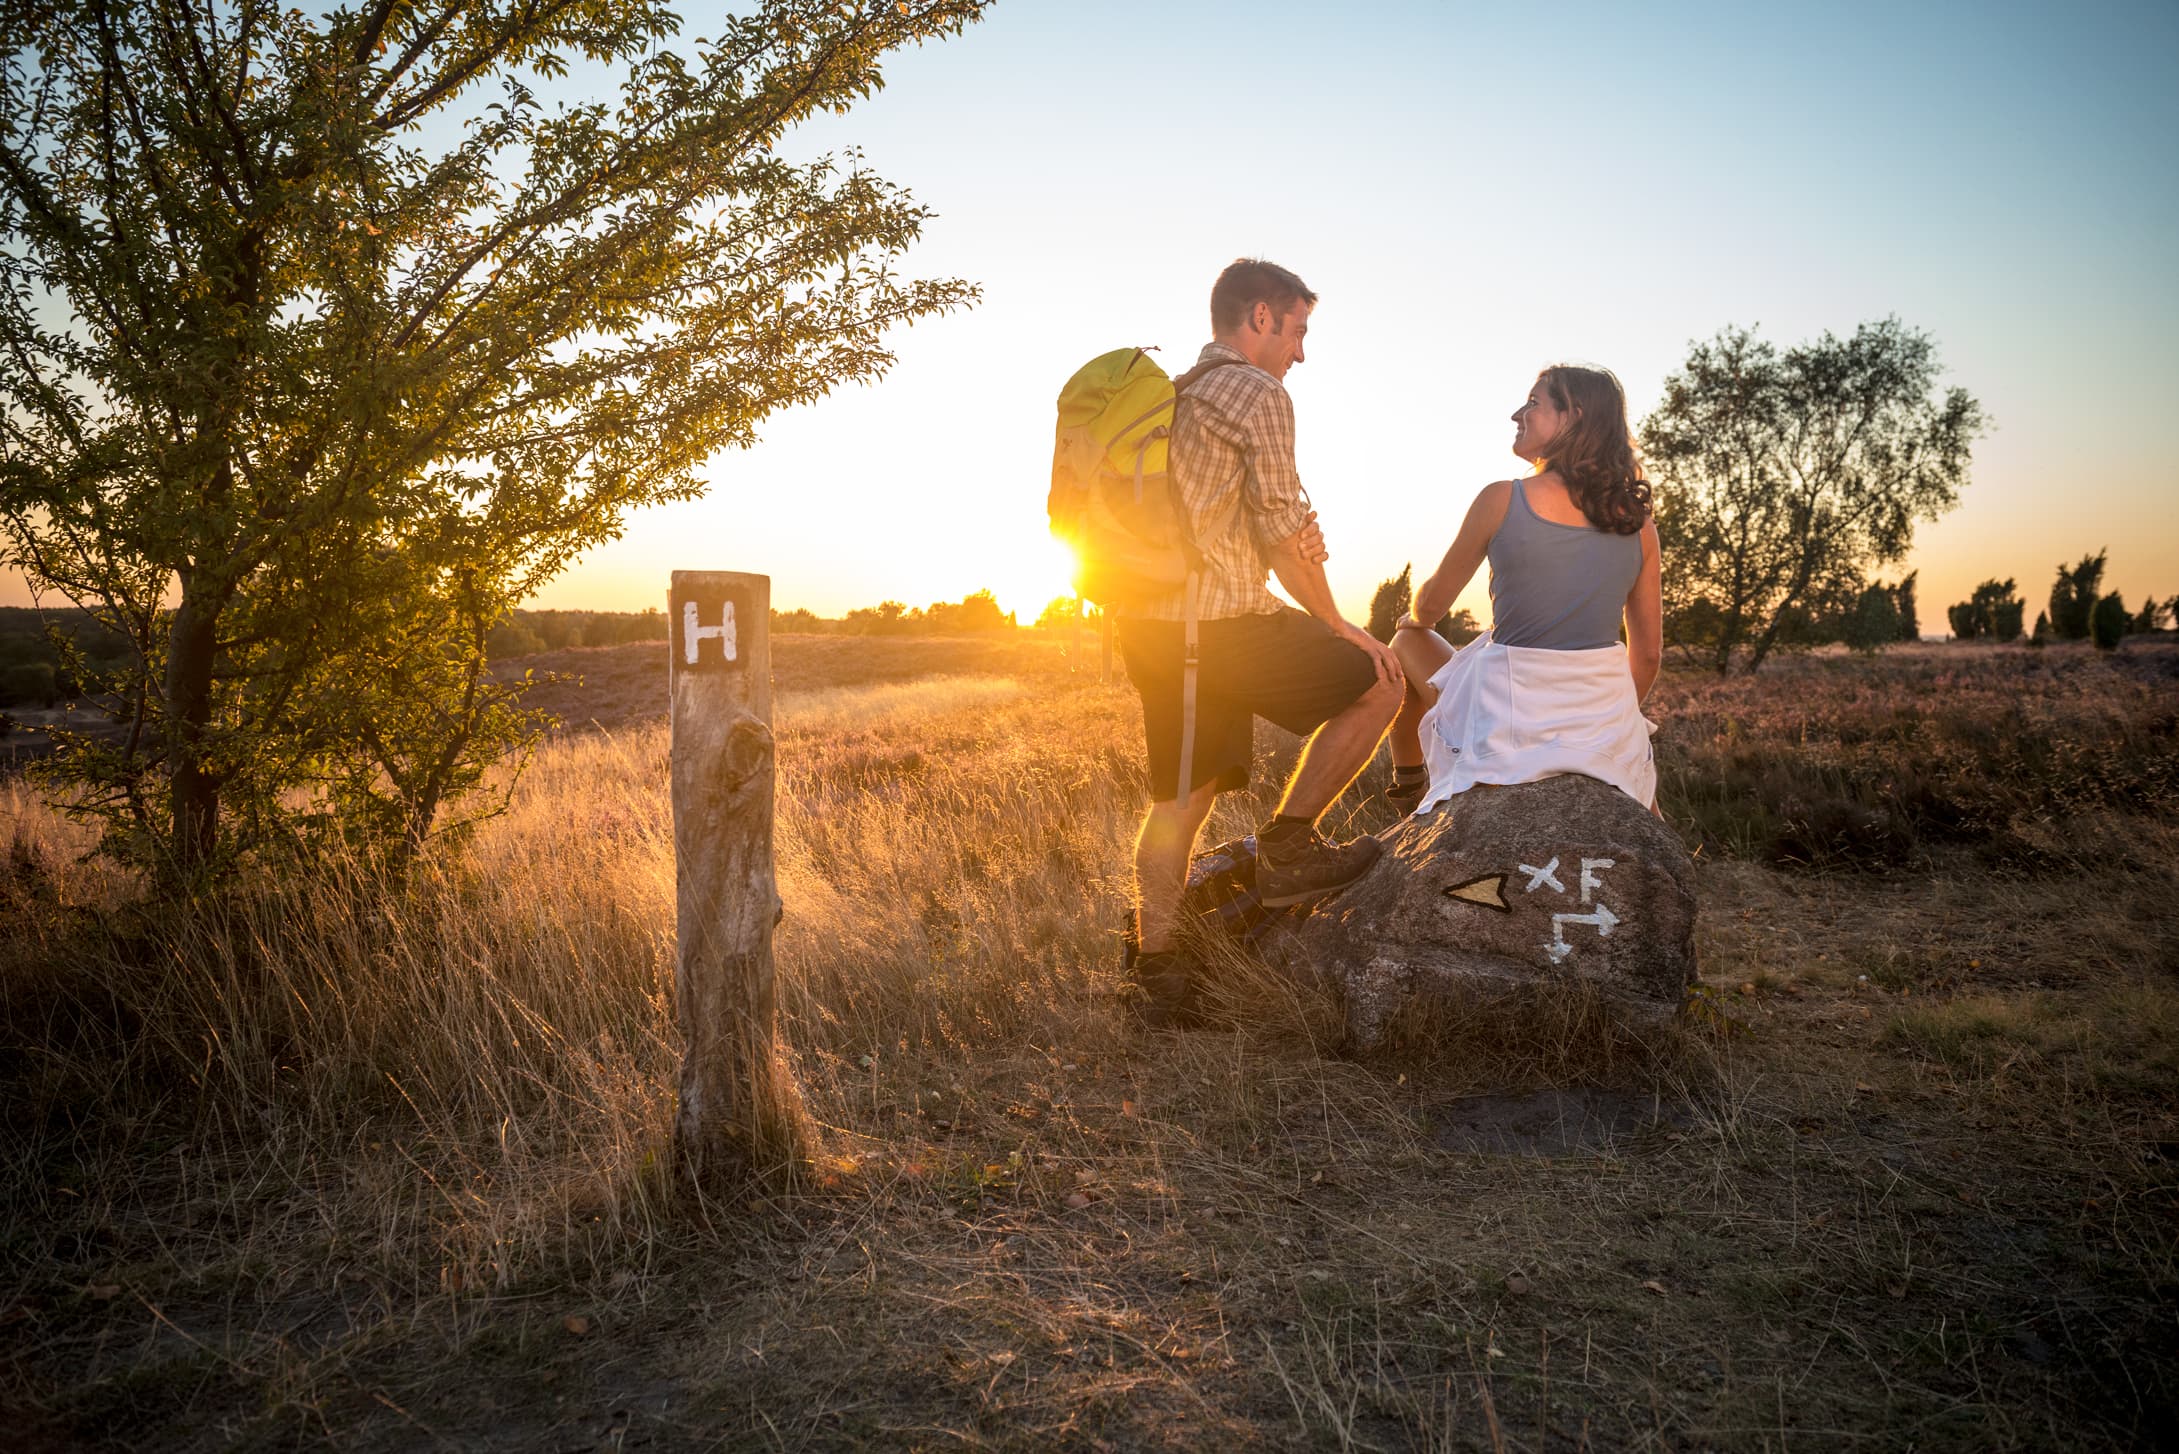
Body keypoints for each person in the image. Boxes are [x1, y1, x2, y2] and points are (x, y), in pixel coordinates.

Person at [1117, 258, 1404, 1028]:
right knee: (1381, 680)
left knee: (1181, 802)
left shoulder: (1175, 394)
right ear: (1260, 318)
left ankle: (1158, 970)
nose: (1301, 352)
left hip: (1152, 627)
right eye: (1298, 330)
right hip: (1216, 631)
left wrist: (1281, 541)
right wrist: (1339, 625)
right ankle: (1288, 846)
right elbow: (1282, 531)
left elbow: (1227, 524)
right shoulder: (1256, 391)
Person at [1385, 365, 1663, 816]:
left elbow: (1431, 607)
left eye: (1533, 402)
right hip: (1601, 717)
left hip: (1509, 714)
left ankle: (1409, 792)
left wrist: (1413, 616)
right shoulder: (1639, 526)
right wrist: (1604, 721)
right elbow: (1648, 655)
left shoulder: (1501, 498)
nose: (1519, 413)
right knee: (1653, 824)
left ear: (1572, 417)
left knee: (1405, 640)